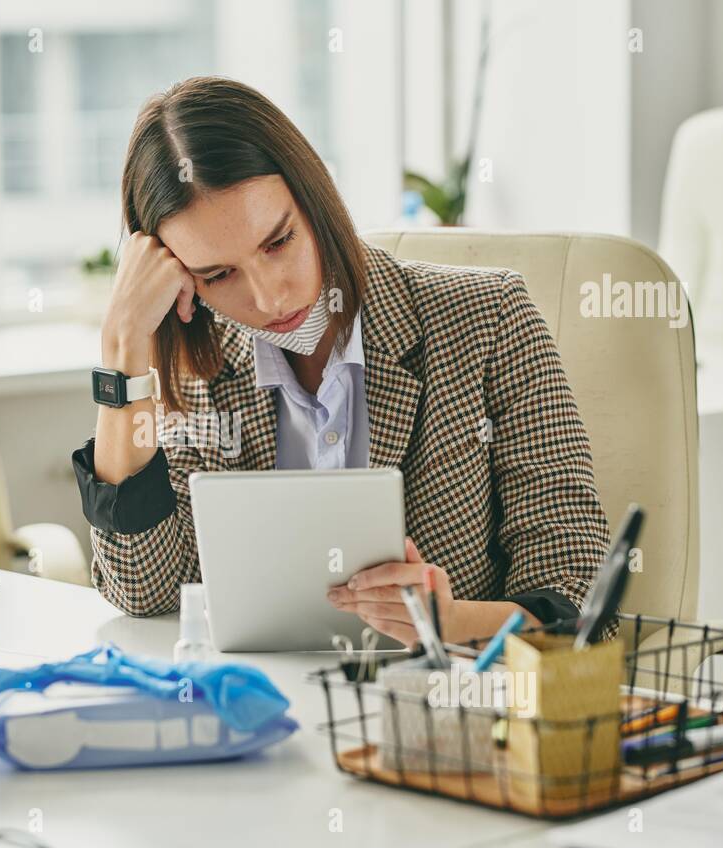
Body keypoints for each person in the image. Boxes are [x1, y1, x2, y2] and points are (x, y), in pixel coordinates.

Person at [70, 76, 611, 648]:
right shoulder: (194, 363)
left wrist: (448, 624)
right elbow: (141, 589)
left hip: (443, 706)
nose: (271, 298)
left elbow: (580, 599)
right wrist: (123, 347)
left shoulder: (489, 319)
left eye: (278, 242)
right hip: (270, 705)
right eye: (218, 275)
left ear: (315, 199)